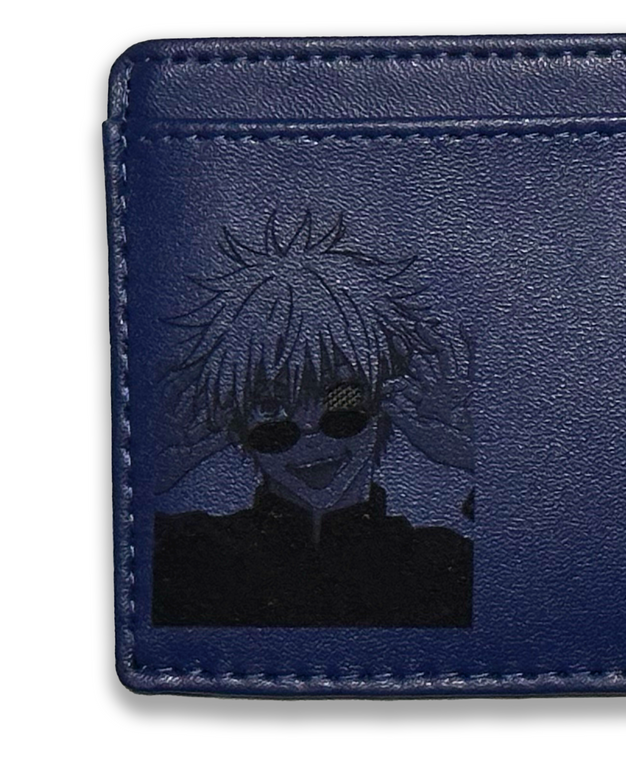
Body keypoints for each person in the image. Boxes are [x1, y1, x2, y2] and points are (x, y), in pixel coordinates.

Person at [149, 211, 474, 627]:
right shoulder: (186, 555)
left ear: (387, 399)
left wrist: (476, 458)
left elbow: (537, 580)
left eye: (340, 398)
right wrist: (147, 470)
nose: (308, 429)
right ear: (233, 422)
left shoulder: (446, 565)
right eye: (271, 408)